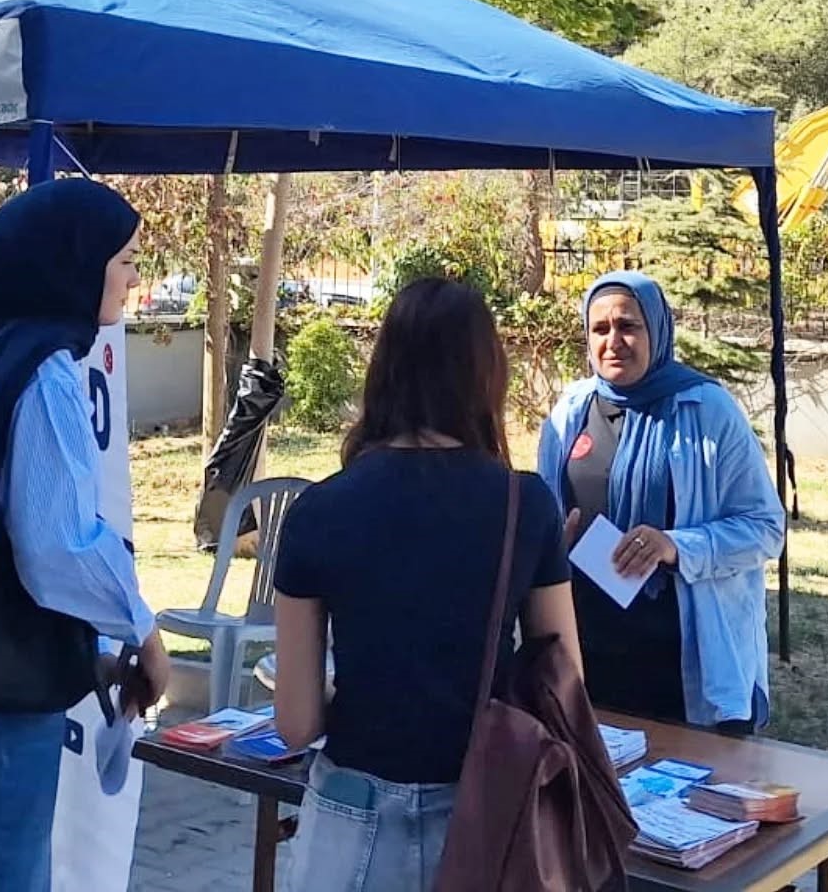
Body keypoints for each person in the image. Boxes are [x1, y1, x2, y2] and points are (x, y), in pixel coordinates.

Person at [0, 178, 170, 892]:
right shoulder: (42, 375)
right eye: (125, 259)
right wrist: (142, 630)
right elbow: (57, 548)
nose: (135, 277)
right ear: (70, 264)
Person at [273, 277, 579, 892]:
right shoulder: (527, 504)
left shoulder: (317, 511)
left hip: (349, 813)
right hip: (484, 813)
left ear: (382, 369)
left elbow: (297, 723)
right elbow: (564, 677)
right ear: (486, 373)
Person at [538, 270, 785, 733]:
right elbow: (546, 512)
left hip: (681, 653)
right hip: (589, 652)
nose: (614, 341)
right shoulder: (570, 411)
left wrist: (674, 546)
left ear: (657, 328)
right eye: (600, 329)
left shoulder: (706, 410)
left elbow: (766, 529)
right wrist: (554, 540)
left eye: (629, 325)